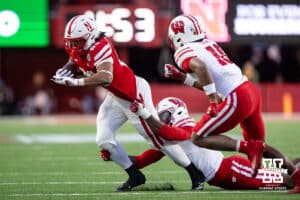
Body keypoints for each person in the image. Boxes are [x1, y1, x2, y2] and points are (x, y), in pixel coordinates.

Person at [52, 15, 205, 191]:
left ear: (91, 36)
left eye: (77, 42)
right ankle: (135, 175)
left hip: (133, 95)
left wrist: (76, 82)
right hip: (115, 96)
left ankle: (195, 173)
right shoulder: (77, 47)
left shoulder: (101, 46)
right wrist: (66, 70)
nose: (72, 46)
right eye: (70, 42)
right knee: (104, 140)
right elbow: (74, 59)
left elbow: (105, 77)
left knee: (157, 140)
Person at [115, 96, 299, 192]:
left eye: (163, 116)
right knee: (284, 171)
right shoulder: (173, 136)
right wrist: (117, 156)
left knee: (283, 181)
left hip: (229, 170)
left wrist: (144, 114)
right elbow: (145, 159)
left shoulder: (186, 126)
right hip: (226, 172)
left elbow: (169, 132)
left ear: (175, 113)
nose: (162, 121)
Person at [164, 14, 266, 175]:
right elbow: (211, 81)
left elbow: (201, 68)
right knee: (259, 146)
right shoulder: (209, 43)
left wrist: (212, 101)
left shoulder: (182, 52)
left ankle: (249, 149)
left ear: (178, 36)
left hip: (237, 96)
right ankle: (294, 175)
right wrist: (184, 78)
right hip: (249, 90)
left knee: (198, 137)